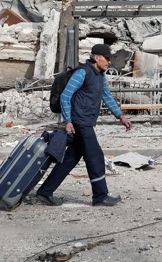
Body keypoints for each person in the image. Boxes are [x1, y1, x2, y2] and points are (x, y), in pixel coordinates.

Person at [35, 43, 131, 207]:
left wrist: (120, 116)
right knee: (95, 157)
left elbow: (106, 96)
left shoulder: (100, 75)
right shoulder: (82, 72)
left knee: (71, 158)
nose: (109, 61)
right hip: (80, 122)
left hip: (86, 121)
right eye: (106, 58)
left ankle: (45, 191)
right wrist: (68, 121)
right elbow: (66, 96)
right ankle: (100, 196)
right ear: (96, 58)